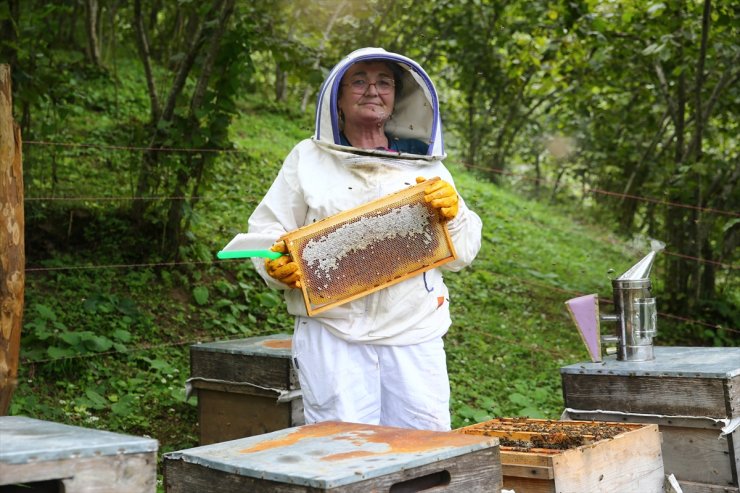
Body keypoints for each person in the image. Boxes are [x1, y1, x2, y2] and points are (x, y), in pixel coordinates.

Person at [247, 47, 482, 431]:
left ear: (398, 97)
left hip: (413, 332)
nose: (373, 90)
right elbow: (264, 233)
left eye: (384, 82)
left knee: (422, 450)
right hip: (333, 334)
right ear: (337, 97)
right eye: (359, 81)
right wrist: (275, 264)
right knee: (342, 453)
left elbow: (463, 253)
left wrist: (454, 217)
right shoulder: (307, 159)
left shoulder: (427, 166)